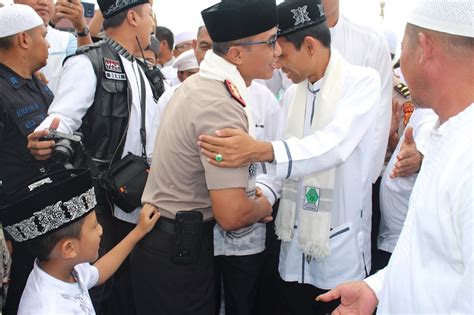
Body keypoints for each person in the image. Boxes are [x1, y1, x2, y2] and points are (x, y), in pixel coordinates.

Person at [198, 0, 381, 313]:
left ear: (309, 45)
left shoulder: (361, 83)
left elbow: (332, 146)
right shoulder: (294, 95)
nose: (276, 64)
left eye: (281, 53)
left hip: (337, 251)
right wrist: (262, 197)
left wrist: (260, 149)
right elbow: (281, 161)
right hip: (294, 249)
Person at [317, 0, 473, 313]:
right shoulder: (446, 133)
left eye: (402, 48)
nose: (399, 66)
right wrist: (377, 288)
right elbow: (430, 254)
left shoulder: (467, 155)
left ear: (423, 48)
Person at [130, 0, 279, 313]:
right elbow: (232, 214)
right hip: (180, 255)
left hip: (169, 247)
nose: (277, 52)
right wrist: (264, 203)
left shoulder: (200, 85)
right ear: (237, 54)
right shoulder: (220, 104)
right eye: (270, 42)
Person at [26, 0, 159, 313]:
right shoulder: (90, 61)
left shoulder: (145, 71)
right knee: (98, 293)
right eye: (150, 14)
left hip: (137, 201)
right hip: (99, 206)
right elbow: (61, 117)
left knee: (126, 293)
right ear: (132, 16)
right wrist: (45, 136)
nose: (152, 23)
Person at [0, 169, 159, 315]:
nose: (101, 230)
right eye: (94, 226)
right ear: (69, 248)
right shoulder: (48, 309)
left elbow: (98, 273)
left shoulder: (64, 269)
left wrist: (139, 231)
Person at [0, 5, 54, 314]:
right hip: (16, 231)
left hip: (44, 224)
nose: (47, 44)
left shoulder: (38, 84)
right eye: (43, 36)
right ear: (23, 40)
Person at [14, 0, 92, 93]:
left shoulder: (66, 41)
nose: (43, 2)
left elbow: (87, 74)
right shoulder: (4, 38)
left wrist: (81, 28)